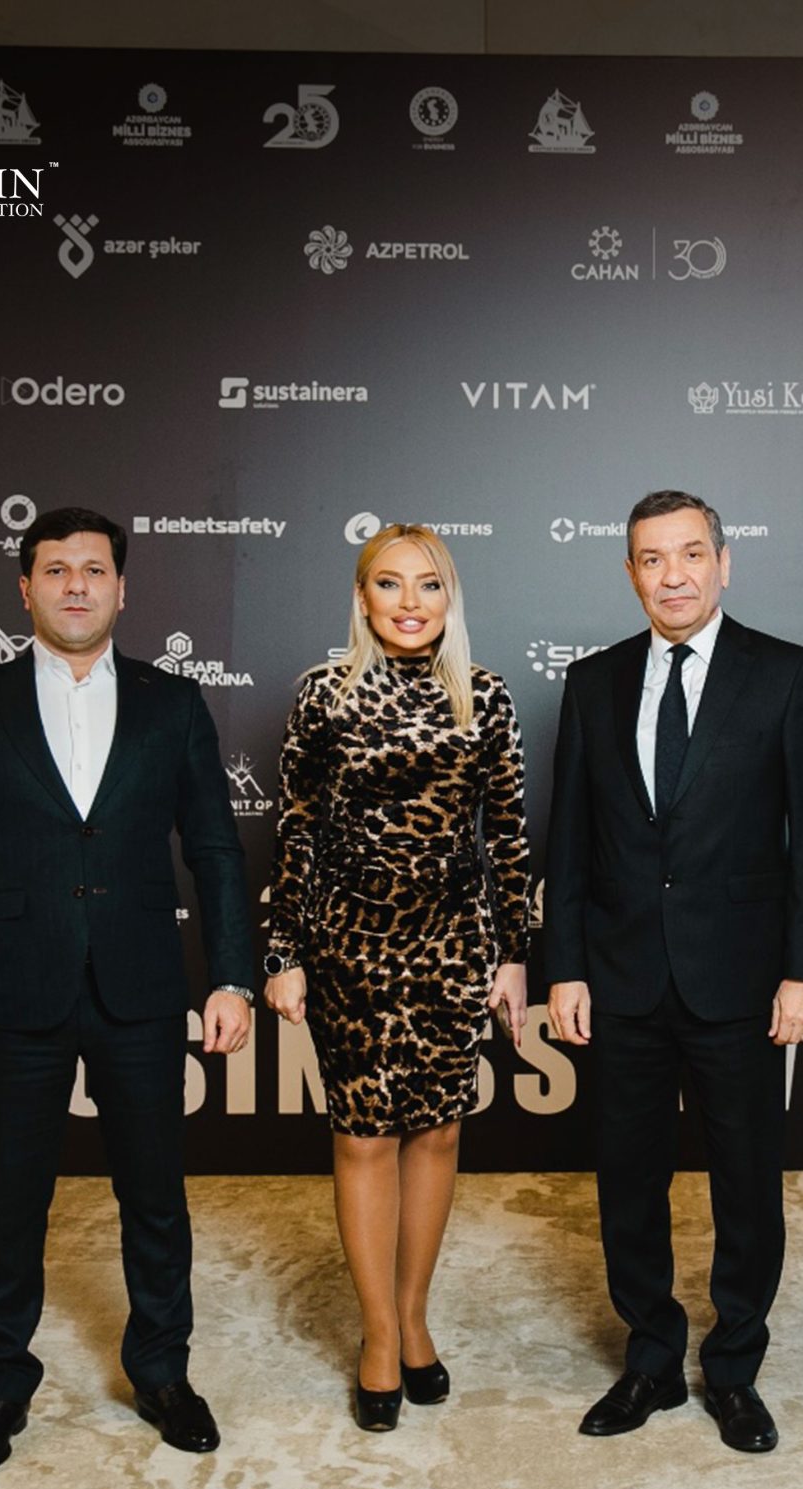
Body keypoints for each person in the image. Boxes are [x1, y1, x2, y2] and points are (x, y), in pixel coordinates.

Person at [0, 508, 253, 1475]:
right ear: (25, 589)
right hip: (18, 989)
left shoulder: (175, 703)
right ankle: (1, 1383)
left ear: (122, 589)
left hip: (141, 986)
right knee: (11, 1199)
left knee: (155, 1196)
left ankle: (162, 1373)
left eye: (94, 569)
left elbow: (216, 850)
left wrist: (232, 976)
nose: (76, 585)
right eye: (56, 570)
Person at [546, 490, 803, 1453]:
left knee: (746, 1183)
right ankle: (650, 1359)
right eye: (651, 559)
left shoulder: (786, 674)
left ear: (723, 562)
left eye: (689, 554)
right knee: (627, 1180)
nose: (671, 575)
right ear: (630, 572)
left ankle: (735, 1368)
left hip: (742, 981)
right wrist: (565, 967)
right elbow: (568, 842)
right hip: (621, 977)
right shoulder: (592, 683)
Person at [264, 523, 529, 1432]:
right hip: (349, 947)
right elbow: (296, 827)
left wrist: (514, 954)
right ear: (362, 596)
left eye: (428, 585)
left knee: (439, 1135)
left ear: (450, 598)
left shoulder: (485, 697)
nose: (410, 603)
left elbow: (508, 837)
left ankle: (415, 1317)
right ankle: (378, 1334)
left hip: (452, 944)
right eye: (390, 584)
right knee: (365, 1138)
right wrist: (283, 953)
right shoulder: (323, 695)